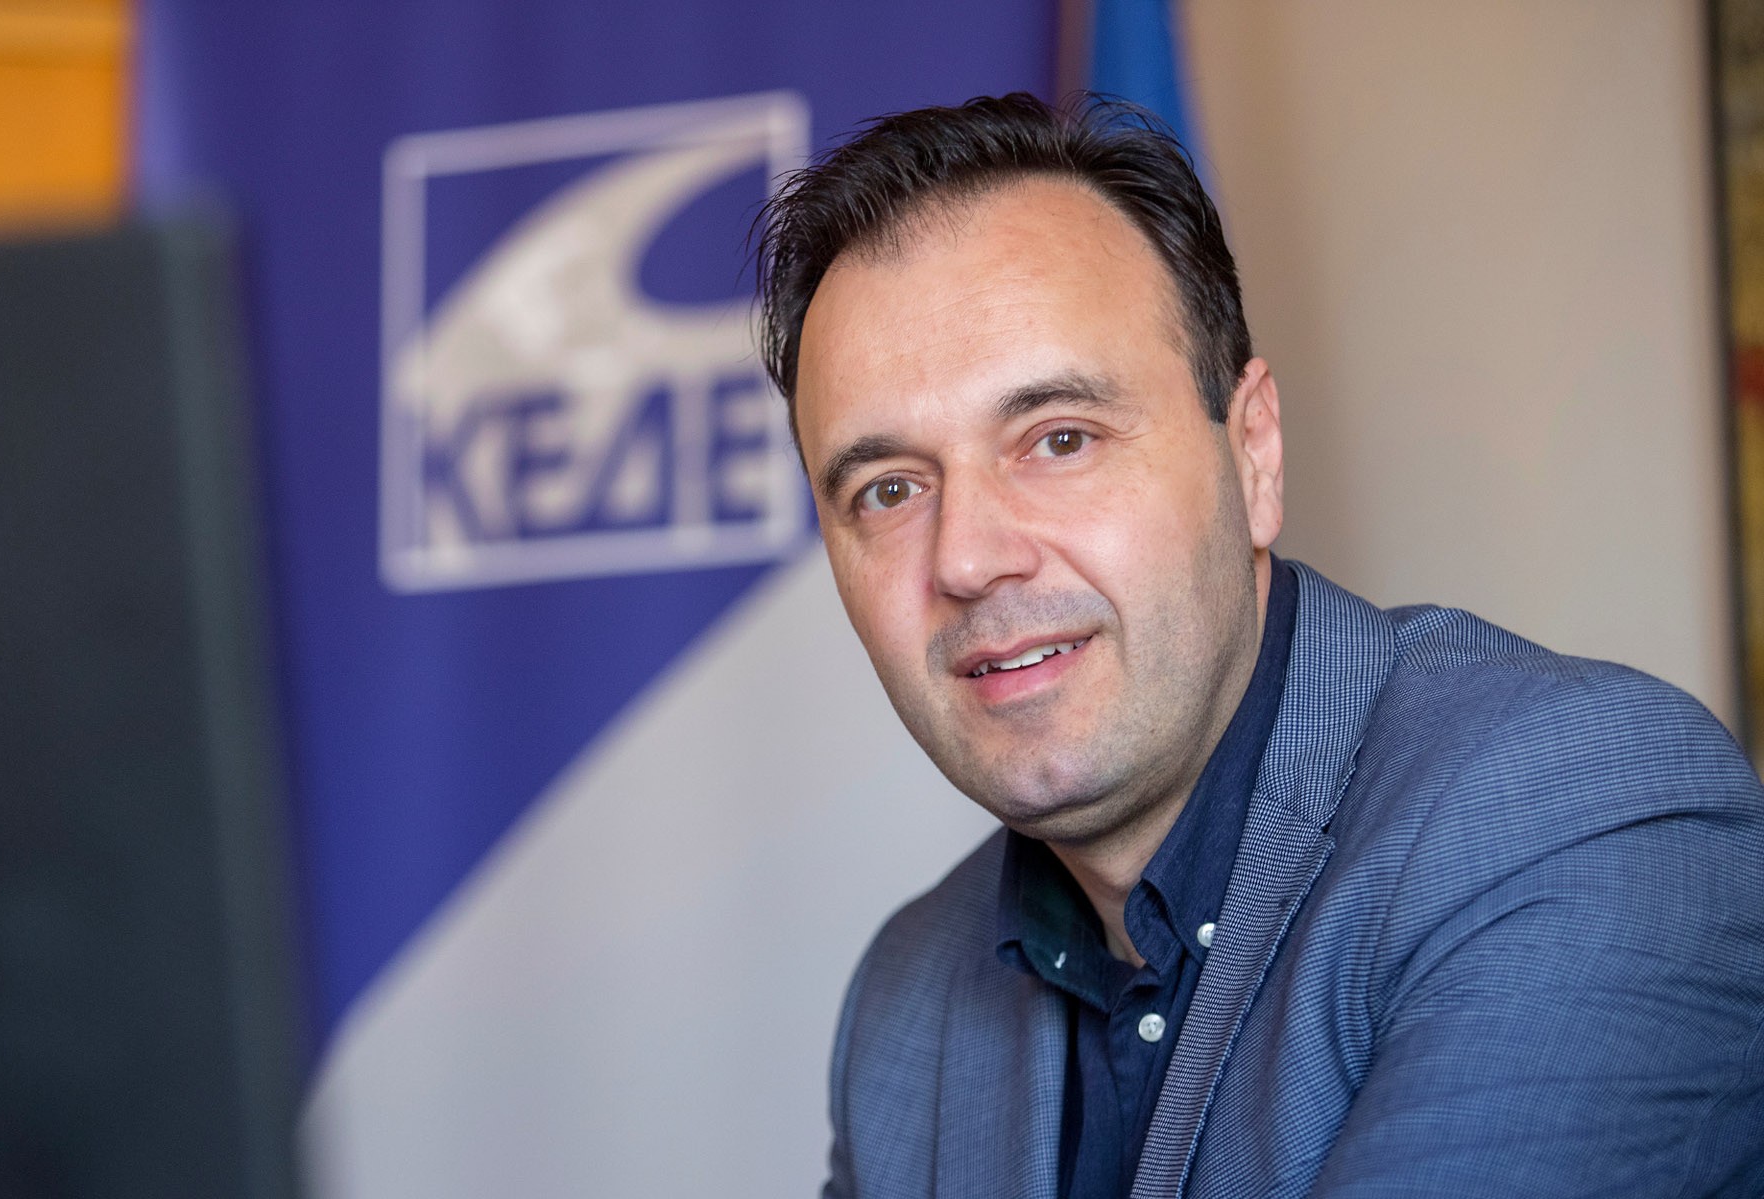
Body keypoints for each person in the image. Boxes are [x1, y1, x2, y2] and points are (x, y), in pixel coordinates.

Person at [753, 93, 1764, 1199]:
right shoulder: (906, 1005)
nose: (967, 557)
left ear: (1255, 453)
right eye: (889, 489)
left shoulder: (1571, 815)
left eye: (1059, 438)